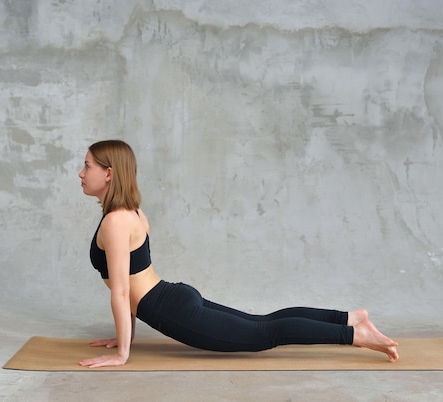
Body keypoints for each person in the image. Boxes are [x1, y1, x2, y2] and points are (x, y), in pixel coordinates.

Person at [78, 139, 399, 368]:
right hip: (172, 296)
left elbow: (122, 292)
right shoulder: (129, 212)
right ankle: (349, 318)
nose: (81, 173)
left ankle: (354, 334)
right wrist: (127, 339)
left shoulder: (116, 222)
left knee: (266, 334)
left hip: (171, 310)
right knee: (264, 322)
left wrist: (122, 354)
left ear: (108, 173)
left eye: (87, 165)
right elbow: (130, 282)